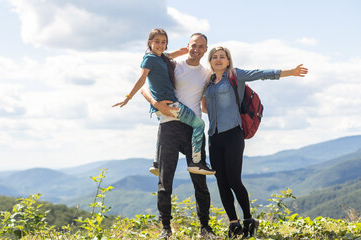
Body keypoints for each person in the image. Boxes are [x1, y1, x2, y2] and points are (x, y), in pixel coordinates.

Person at [202, 46, 308, 238]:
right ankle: (234, 224)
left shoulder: (236, 75)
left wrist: (290, 72)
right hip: (214, 136)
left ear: (228, 60)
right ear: (209, 61)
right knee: (221, 182)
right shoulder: (208, 82)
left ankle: (249, 220)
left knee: (234, 180)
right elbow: (205, 107)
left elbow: (261, 74)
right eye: (214, 57)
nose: (218, 60)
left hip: (233, 133)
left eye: (222, 57)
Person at [141, 33, 217, 240]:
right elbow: (145, 87)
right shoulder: (173, 65)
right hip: (169, 126)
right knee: (165, 182)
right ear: (188, 46)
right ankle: (166, 229)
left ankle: (205, 228)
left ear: (205, 49)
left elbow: (205, 104)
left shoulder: (206, 73)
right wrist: (155, 104)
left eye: (201, 46)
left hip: (193, 131)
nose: (197, 49)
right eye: (194, 45)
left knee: (200, 182)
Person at [113, 28, 214, 176]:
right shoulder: (150, 59)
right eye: (157, 42)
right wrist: (128, 97)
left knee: (162, 130)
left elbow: (178, 52)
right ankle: (197, 162)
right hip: (171, 104)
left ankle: (156, 163)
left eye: (164, 42)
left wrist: (191, 49)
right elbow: (142, 80)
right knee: (199, 124)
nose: (160, 45)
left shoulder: (163, 58)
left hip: (163, 108)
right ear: (150, 43)